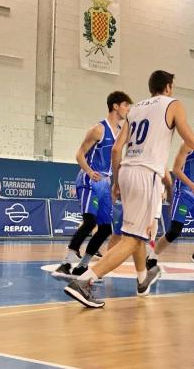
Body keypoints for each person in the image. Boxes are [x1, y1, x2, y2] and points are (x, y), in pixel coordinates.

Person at [64, 70, 194, 308]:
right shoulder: (173, 104)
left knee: (136, 234)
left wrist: (116, 182)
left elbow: (116, 149)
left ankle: (142, 280)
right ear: (168, 87)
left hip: (127, 171)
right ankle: (85, 281)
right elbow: (192, 142)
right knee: (131, 239)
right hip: (146, 174)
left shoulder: (136, 108)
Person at [54, 91, 132, 277]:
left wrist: (117, 183)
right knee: (90, 222)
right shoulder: (98, 129)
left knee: (105, 229)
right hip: (89, 180)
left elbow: (117, 159)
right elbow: (79, 154)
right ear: (115, 106)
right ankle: (66, 263)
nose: (128, 109)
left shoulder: (121, 132)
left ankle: (82, 266)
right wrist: (89, 171)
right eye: (126, 105)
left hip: (105, 183)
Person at [147, 111, 194, 271]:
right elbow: (176, 169)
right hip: (185, 192)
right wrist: (193, 186)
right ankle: (152, 257)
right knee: (174, 231)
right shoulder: (188, 143)